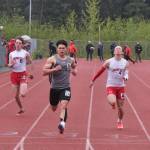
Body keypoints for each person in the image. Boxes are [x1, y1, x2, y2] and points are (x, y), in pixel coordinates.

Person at [90, 46, 129, 129]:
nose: (118, 53)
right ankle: (112, 104)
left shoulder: (125, 62)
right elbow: (100, 71)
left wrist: (125, 77)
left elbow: (126, 73)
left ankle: (119, 120)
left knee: (121, 108)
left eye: (119, 52)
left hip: (121, 87)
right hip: (111, 85)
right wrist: (93, 80)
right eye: (116, 52)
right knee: (112, 101)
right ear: (114, 52)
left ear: (122, 53)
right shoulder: (108, 62)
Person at [43, 40, 77, 134]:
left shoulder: (71, 60)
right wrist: (54, 69)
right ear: (57, 49)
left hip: (66, 87)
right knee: (53, 108)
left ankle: (62, 123)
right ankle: (59, 114)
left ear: (66, 49)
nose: (61, 50)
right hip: (54, 88)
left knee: (64, 105)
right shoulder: (52, 59)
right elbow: (44, 72)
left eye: (63, 48)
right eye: (60, 48)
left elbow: (75, 71)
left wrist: (73, 71)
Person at [8, 37, 33, 115]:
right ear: (15, 44)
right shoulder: (11, 54)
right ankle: (21, 108)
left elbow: (31, 62)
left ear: (22, 45)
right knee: (15, 96)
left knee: (23, 94)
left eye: (20, 43)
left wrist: (31, 73)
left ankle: (25, 82)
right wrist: (11, 65)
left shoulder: (25, 53)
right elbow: (9, 65)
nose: (18, 44)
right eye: (17, 43)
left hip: (22, 74)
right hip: (14, 75)